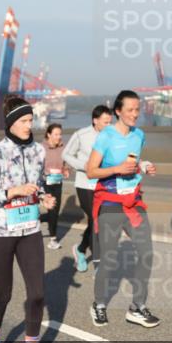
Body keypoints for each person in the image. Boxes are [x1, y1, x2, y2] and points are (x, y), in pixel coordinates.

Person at [0, 96, 57, 343]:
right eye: (23, 120)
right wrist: (13, 192)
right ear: (10, 123)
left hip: (30, 230)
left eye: (30, 119)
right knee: (4, 293)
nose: (28, 125)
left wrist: (44, 198)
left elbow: (40, 184)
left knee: (37, 294)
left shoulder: (38, 151)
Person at [85, 90, 160, 329]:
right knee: (108, 259)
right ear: (118, 111)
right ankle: (98, 304)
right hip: (110, 203)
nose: (135, 114)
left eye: (137, 109)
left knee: (146, 253)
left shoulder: (139, 135)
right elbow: (91, 171)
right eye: (130, 110)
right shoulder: (106, 136)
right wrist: (117, 168)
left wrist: (143, 166)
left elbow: (133, 162)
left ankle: (137, 307)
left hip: (133, 203)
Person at [63, 105, 113, 272]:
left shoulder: (112, 135)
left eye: (110, 122)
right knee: (96, 220)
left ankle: (80, 249)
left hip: (103, 185)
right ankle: (99, 264)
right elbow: (66, 154)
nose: (108, 125)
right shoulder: (81, 135)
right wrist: (83, 166)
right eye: (105, 122)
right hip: (85, 184)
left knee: (98, 221)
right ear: (95, 120)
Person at [41, 123, 69, 250]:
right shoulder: (41, 148)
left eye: (60, 134)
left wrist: (66, 170)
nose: (59, 136)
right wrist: (45, 173)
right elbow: (36, 165)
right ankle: (53, 239)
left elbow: (65, 164)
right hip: (46, 182)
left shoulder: (63, 147)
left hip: (58, 181)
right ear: (49, 134)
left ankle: (35, 219)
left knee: (55, 211)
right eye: (56, 134)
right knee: (52, 210)